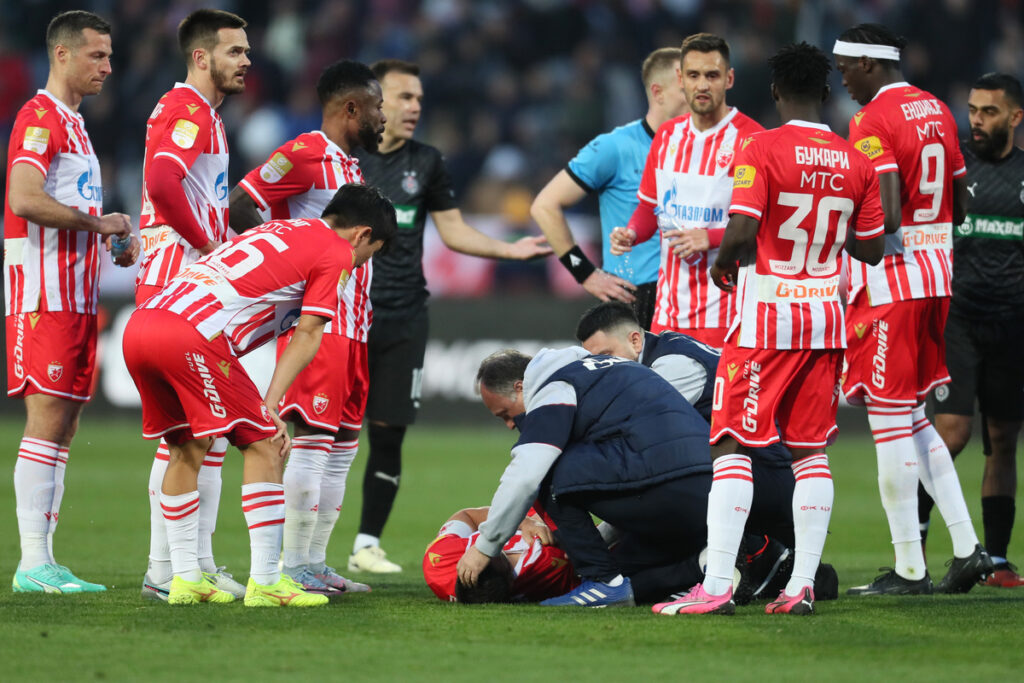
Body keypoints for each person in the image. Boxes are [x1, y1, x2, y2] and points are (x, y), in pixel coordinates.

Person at [654, 42, 885, 616]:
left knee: (733, 443)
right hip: (825, 322)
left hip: (766, 318)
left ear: (777, 93)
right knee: (810, 455)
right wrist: (829, 232)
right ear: (826, 94)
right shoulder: (855, 160)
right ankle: (800, 584)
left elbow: (740, 230)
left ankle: (716, 585)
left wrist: (723, 263)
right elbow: (874, 249)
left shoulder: (760, 146)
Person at [122, 184, 396, 607]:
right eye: (371, 253)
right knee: (266, 442)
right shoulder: (337, 251)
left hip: (142, 325)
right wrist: (270, 405)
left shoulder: (280, 229)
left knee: (186, 449)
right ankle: (267, 582)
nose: (362, 264)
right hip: (193, 335)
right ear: (361, 235)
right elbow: (308, 333)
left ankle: (183, 579)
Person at [348, 59, 551, 574]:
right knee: (327, 431)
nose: (415, 106)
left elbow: (454, 232)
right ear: (374, 100)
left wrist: (510, 251)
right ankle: (298, 549)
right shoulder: (343, 158)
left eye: (419, 97)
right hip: (347, 313)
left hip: (405, 315)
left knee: (389, 431)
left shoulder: (428, 162)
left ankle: (366, 543)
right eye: (403, 97)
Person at [834, 23, 993, 596]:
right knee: (916, 418)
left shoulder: (872, 119)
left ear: (870, 64)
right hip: (936, 276)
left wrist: (847, 237)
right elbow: (957, 192)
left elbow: (889, 211)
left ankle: (908, 569)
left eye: (846, 66)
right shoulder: (937, 110)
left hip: (894, 283)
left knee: (886, 422)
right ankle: (969, 549)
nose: (842, 78)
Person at [228, 59, 384, 596]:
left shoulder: (353, 169)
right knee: (313, 439)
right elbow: (242, 204)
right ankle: (292, 564)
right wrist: (286, 262)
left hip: (357, 326)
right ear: (351, 108)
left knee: (341, 446)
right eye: (377, 107)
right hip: (322, 322)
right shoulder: (305, 154)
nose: (383, 118)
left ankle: (314, 562)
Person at [7, 10, 138, 594]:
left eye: (109, 56)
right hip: (43, 293)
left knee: (63, 423)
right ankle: (31, 561)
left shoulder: (77, 124)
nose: (108, 67)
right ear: (62, 54)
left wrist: (112, 237)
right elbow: (24, 197)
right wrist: (96, 222)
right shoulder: (39, 118)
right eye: (97, 56)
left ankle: (46, 559)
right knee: (46, 419)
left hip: (77, 296)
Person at [136, 8, 251, 602]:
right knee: (188, 436)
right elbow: (161, 182)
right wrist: (211, 247)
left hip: (184, 283)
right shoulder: (187, 110)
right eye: (235, 51)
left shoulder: (202, 115)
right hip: (181, 284)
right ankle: (167, 569)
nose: (247, 61)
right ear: (201, 57)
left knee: (198, 433)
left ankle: (191, 565)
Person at [456, 347, 715, 608]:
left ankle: (603, 581)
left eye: (505, 414)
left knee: (547, 466)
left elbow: (525, 475)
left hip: (668, 483)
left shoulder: (554, 386)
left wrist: (485, 548)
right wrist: (594, 540)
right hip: (705, 488)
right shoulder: (601, 369)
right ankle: (701, 565)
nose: (510, 425)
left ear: (521, 387)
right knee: (620, 565)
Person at [575, 300, 796, 547]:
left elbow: (629, 436)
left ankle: (741, 556)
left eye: (607, 356)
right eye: (595, 362)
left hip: (764, 478)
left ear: (635, 341)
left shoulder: (674, 366)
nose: (603, 368)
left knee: (651, 461)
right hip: (747, 472)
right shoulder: (661, 351)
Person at [918, 73, 1024, 587]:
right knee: (951, 433)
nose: (976, 120)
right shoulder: (954, 168)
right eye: (973, 109)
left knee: (1003, 439)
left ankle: (998, 561)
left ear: (1015, 117)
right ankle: (912, 545)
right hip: (958, 319)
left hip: (1014, 325)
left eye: (988, 112)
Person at [609, 33, 763, 348]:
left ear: (729, 79)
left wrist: (711, 238)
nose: (702, 84)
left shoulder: (753, 140)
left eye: (712, 75)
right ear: (680, 79)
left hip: (728, 316)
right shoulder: (666, 137)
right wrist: (632, 233)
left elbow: (765, 225)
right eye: (694, 75)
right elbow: (649, 209)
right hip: (668, 317)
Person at [530, 47, 688, 328]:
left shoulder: (705, 150)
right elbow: (544, 206)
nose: (700, 93)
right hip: (636, 302)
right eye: (686, 86)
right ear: (658, 92)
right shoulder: (615, 147)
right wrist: (586, 273)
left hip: (694, 300)